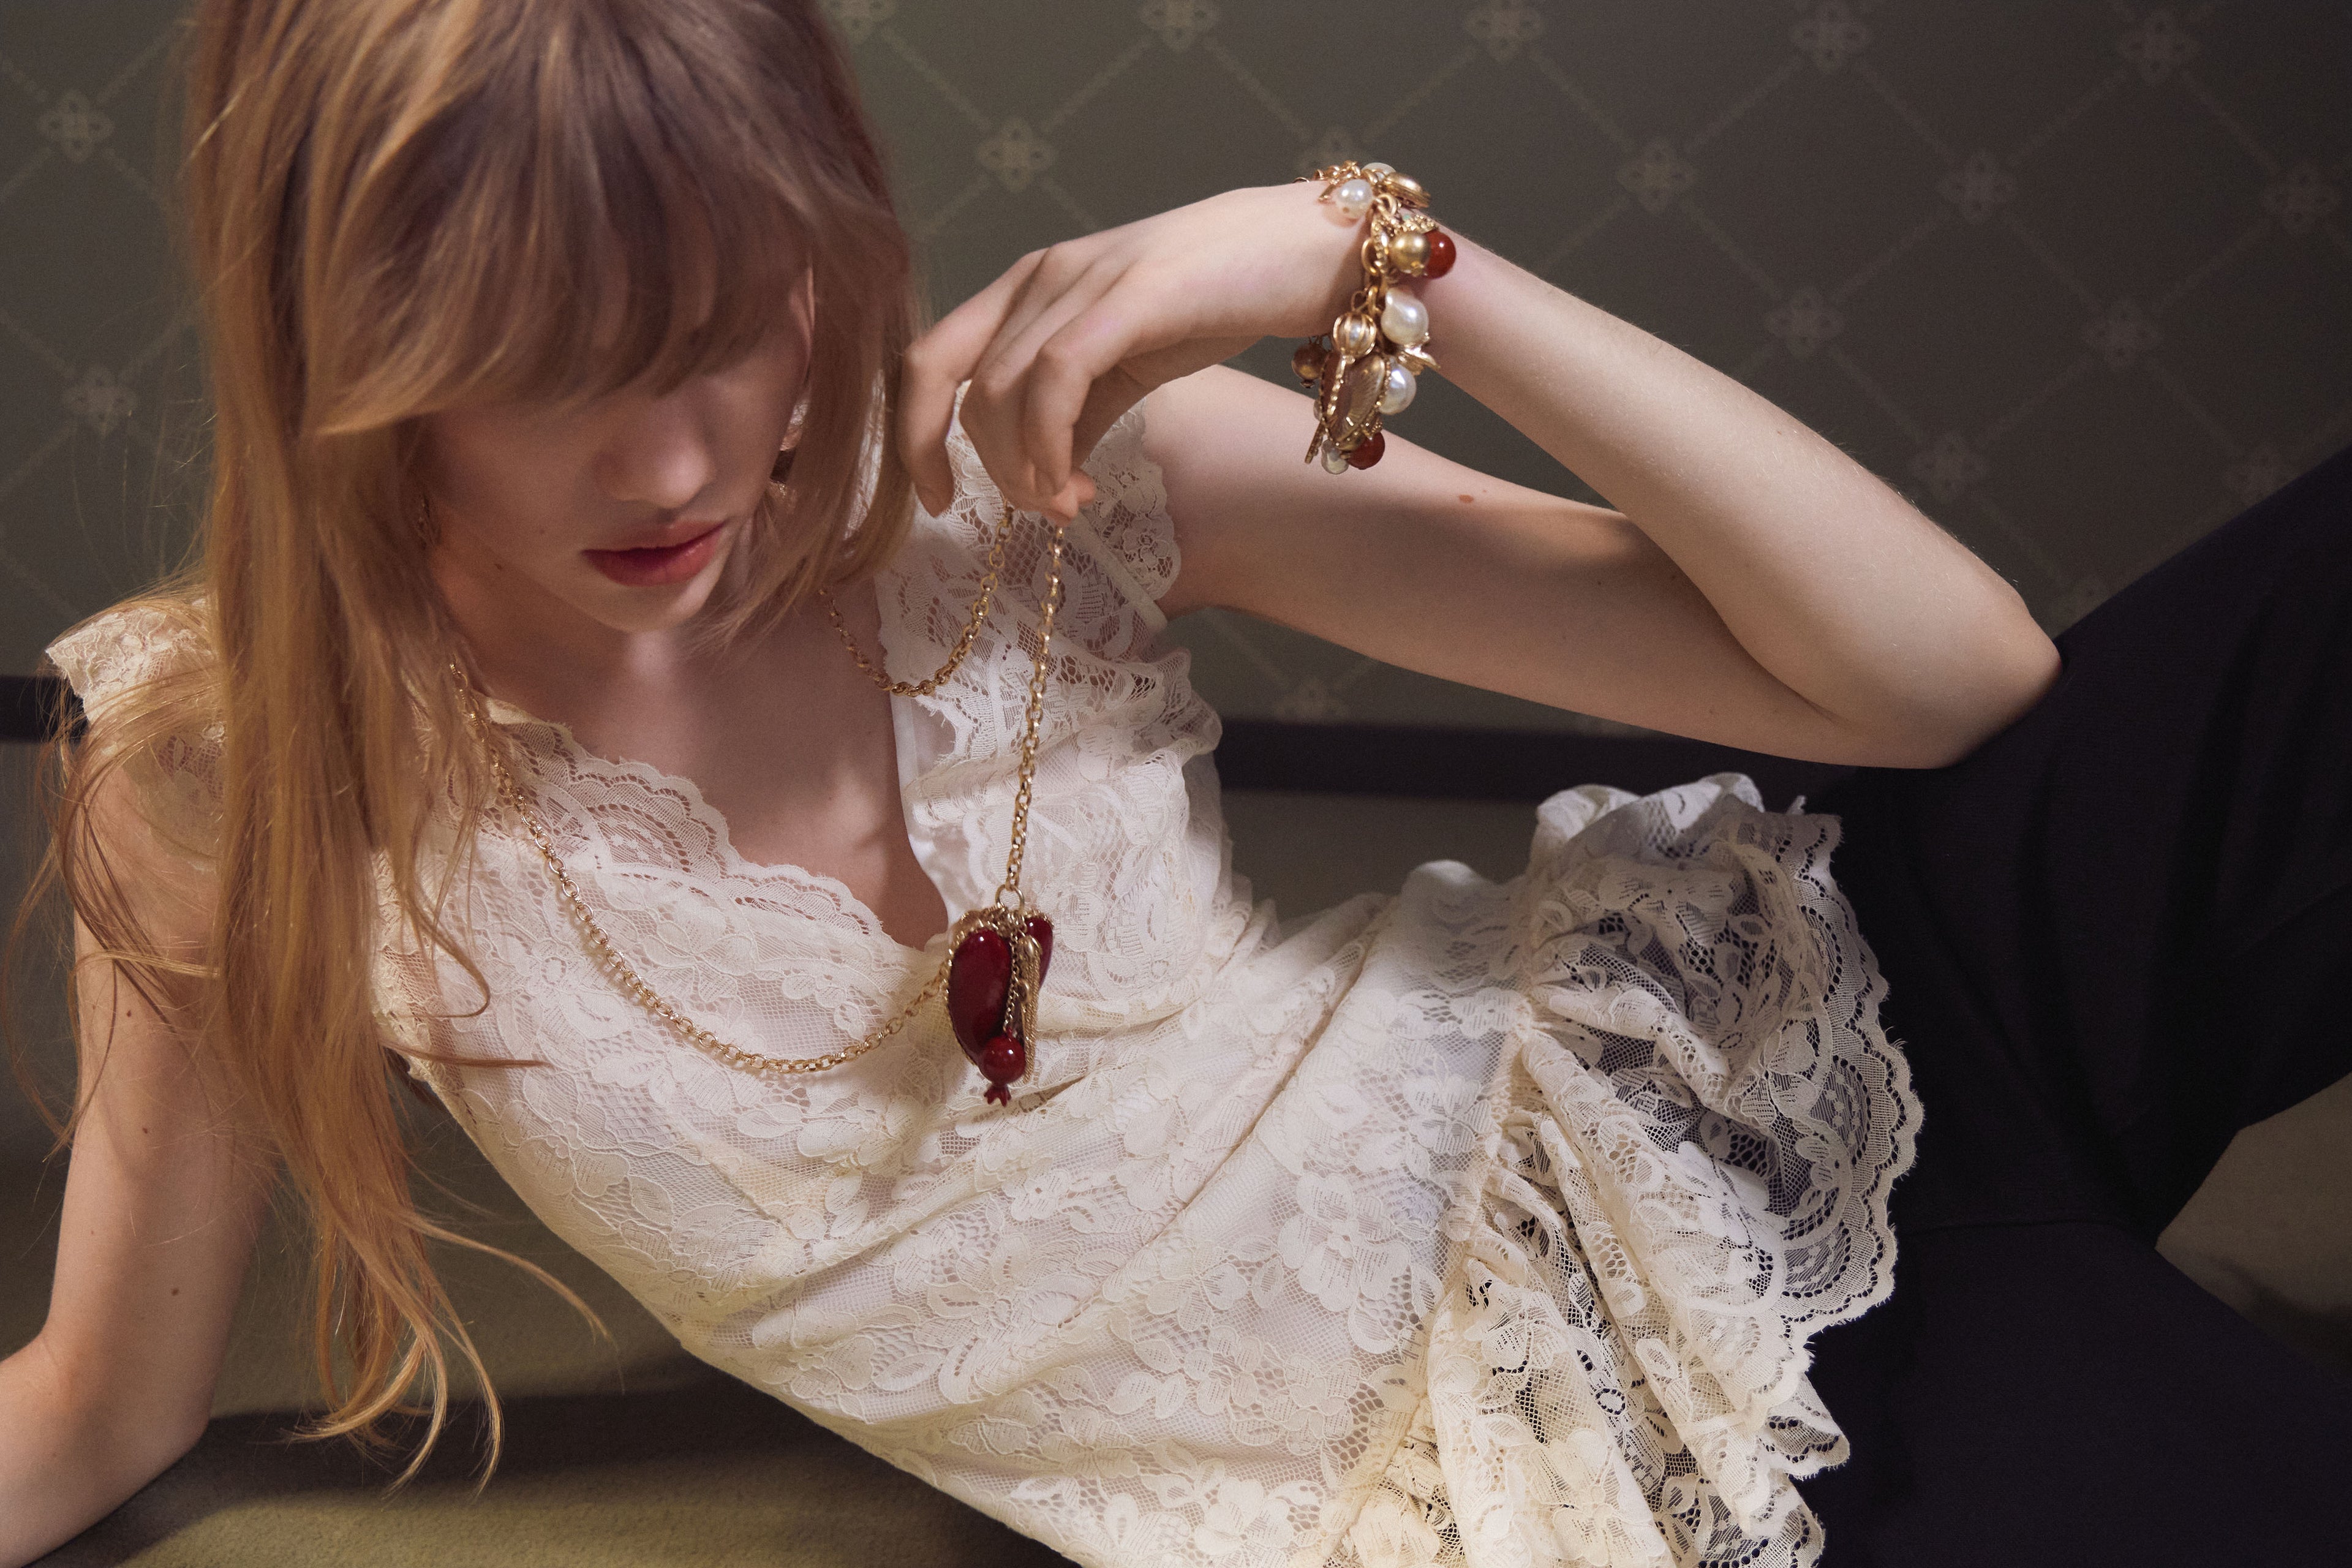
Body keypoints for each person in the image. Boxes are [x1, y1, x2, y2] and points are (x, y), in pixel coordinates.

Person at [1, 2, 2342, 1565]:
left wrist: (1386, 251)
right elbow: (95, 1406)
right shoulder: (223, 776)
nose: (681, 460)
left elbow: (1945, 685)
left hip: (1773, 1013)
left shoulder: (1032, 460)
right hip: (1571, 1463)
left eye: (728, 321)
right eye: (541, 367)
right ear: (333, 339)